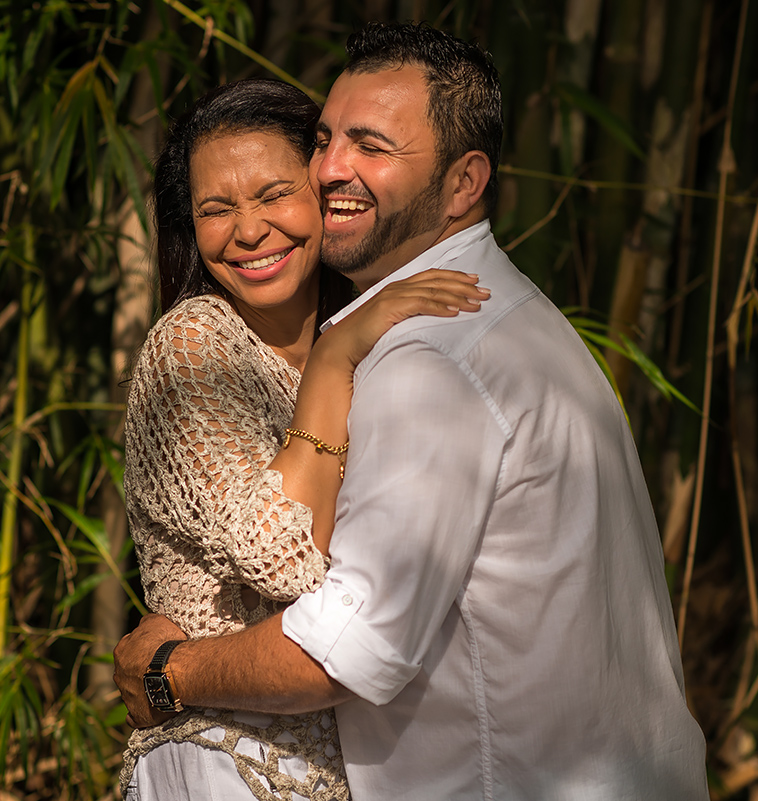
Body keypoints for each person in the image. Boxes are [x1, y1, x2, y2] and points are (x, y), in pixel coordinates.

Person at [116, 22, 709, 799]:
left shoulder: (427, 360)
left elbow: (346, 647)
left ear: (464, 183)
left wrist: (168, 670)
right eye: (326, 141)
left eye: (370, 146)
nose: (331, 168)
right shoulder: (511, 321)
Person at [119, 77, 489, 800]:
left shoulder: (372, 340)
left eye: (273, 194)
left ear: (324, 196)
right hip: (218, 757)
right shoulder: (194, 346)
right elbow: (284, 558)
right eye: (215, 209)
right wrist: (333, 358)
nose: (248, 230)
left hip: (335, 772)